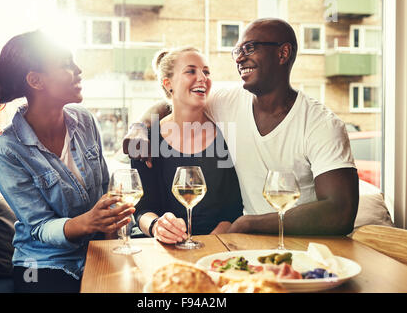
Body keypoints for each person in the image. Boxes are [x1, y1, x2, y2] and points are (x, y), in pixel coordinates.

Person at [124, 18, 359, 236]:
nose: (239, 58)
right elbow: (177, 100)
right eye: (237, 50)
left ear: (283, 53)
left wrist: (247, 224)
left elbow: (341, 212)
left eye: (250, 48)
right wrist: (140, 126)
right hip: (246, 244)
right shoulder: (228, 101)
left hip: (304, 244)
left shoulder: (321, 124)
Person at [0, 31, 135, 293]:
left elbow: (105, 191)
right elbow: (39, 227)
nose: (79, 70)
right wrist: (90, 221)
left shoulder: (84, 120)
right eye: (66, 64)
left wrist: (112, 236)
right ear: (35, 80)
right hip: (41, 263)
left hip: (96, 247)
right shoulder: (5, 151)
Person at [131, 47, 244, 244]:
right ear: (168, 84)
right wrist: (157, 225)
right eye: (191, 71)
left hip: (218, 245)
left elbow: (233, 209)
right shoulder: (145, 142)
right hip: (161, 247)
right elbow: (141, 209)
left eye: (206, 72)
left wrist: (210, 243)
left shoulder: (227, 135)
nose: (202, 78)